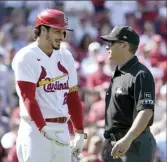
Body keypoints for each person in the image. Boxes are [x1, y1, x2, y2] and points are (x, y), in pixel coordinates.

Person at [12, 9, 86, 162]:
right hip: (35, 130)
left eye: (63, 32)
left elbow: (73, 96)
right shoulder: (26, 56)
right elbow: (28, 97)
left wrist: (79, 131)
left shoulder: (66, 55)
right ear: (43, 29)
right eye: (57, 31)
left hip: (62, 129)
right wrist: (43, 128)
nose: (61, 36)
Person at [100, 26, 156, 162]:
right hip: (115, 144)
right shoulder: (119, 72)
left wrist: (127, 139)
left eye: (111, 43)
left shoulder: (140, 74)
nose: (107, 47)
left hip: (134, 144)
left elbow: (146, 112)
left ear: (124, 46)